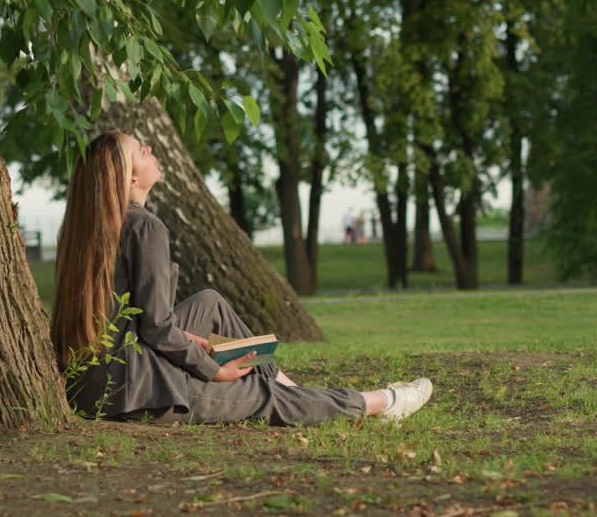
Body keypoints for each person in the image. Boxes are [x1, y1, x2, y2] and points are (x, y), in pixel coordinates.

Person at [50, 130, 433, 427]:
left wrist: (186, 340)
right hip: (138, 395)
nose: (150, 149)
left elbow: (140, 322)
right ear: (130, 180)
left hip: (99, 383)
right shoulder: (144, 227)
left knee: (209, 302)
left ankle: (297, 392)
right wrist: (212, 369)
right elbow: (155, 327)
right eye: (141, 151)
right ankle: (382, 402)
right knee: (262, 396)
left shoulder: (87, 231)